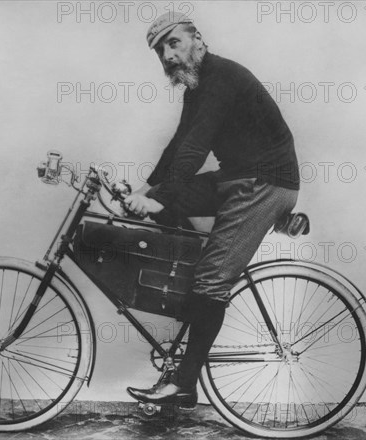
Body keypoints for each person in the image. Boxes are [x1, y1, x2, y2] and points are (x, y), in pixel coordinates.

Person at [124, 12, 300, 409]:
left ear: (197, 39)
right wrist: (147, 189)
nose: (167, 56)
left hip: (265, 182)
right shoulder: (197, 88)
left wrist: (161, 195)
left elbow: (196, 147)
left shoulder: (222, 77)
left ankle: (184, 384)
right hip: (238, 176)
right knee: (167, 209)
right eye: (159, 51)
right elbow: (178, 145)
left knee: (210, 282)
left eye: (174, 43)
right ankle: (195, 298)